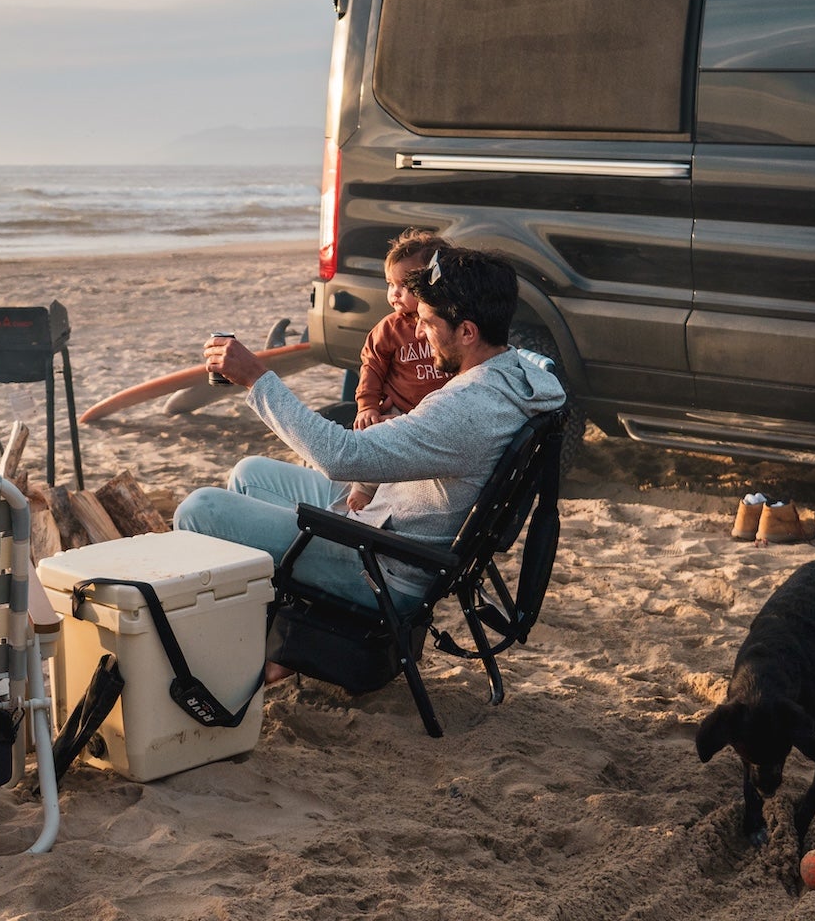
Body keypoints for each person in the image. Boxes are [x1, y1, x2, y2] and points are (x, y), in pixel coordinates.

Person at [179, 246, 565, 659]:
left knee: (200, 508)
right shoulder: (516, 374)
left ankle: (221, 653)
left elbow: (339, 456)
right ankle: (283, 632)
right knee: (249, 474)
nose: (417, 333)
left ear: (468, 332)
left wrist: (257, 379)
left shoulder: (466, 409)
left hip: (381, 566)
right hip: (389, 520)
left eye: (429, 323)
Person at [352, 228, 455, 431]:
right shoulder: (389, 329)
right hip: (400, 410)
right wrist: (367, 406)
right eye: (390, 284)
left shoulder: (450, 323)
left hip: (444, 411)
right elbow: (372, 367)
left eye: (404, 285)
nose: (394, 293)